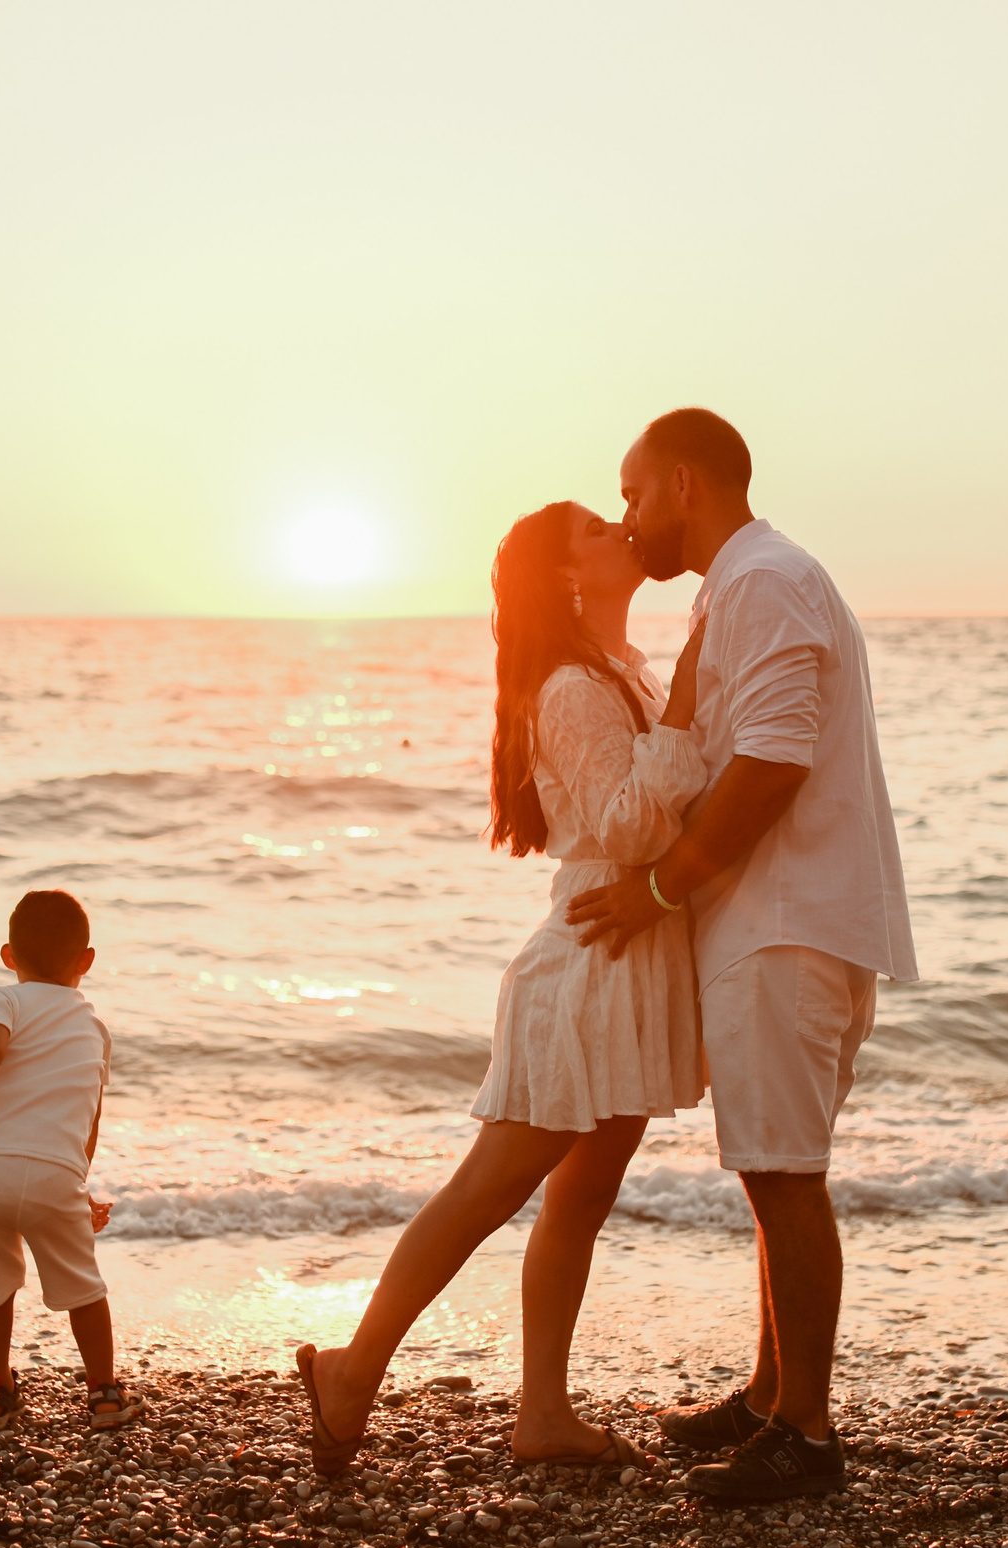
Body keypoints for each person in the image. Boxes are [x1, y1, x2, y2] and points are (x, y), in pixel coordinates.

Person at [296, 499, 706, 1474]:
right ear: (568, 577)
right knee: (486, 1189)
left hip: (626, 957)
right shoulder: (569, 685)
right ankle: (351, 1368)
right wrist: (688, 707)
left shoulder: (616, 671)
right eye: (598, 530)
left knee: (579, 1200)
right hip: (589, 967)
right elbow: (628, 824)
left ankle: (544, 1414)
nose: (622, 531)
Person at [569, 407, 917, 1503]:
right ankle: (771, 1394)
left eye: (629, 493)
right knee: (770, 1168)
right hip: (772, 920)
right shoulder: (741, 584)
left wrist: (662, 887)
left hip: (786, 919)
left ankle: (805, 1436)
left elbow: (770, 763)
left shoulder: (764, 579)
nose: (626, 516)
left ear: (681, 480)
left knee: (784, 1173)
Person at [0, 888, 134, 1431]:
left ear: (9, 954)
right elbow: (90, 1119)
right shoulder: (95, 1030)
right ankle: (104, 1394)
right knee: (83, 1285)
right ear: (86, 960)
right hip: (55, 1173)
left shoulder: (3, 999)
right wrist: (76, 1186)